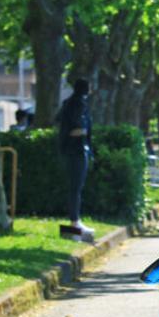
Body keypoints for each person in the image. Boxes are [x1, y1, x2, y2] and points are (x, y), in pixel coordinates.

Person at [57, 78, 94, 237]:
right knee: (76, 187)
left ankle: (75, 219)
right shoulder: (78, 104)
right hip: (77, 150)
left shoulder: (68, 103)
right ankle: (75, 220)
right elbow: (80, 127)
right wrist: (82, 130)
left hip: (72, 150)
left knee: (75, 187)